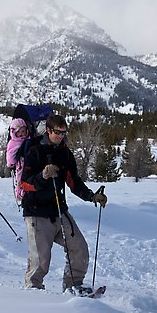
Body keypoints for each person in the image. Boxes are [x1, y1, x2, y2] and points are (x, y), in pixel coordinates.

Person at [20, 114, 107, 294]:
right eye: (58, 132)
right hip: (37, 213)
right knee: (40, 261)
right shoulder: (35, 152)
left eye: (64, 133)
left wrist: (92, 196)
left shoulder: (65, 153)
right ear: (49, 130)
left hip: (59, 211)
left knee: (79, 248)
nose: (61, 136)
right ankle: (33, 292)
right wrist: (43, 176)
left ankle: (73, 286)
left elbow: (73, 181)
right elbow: (25, 183)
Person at [6, 118, 30, 202]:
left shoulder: (28, 140)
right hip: (19, 165)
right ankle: (20, 194)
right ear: (14, 132)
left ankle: (25, 194)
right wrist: (11, 163)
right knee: (19, 180)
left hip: (26, 163)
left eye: (23, 131)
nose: (21, 134)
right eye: (19, 132)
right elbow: (10, 155)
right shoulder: (13, 143)